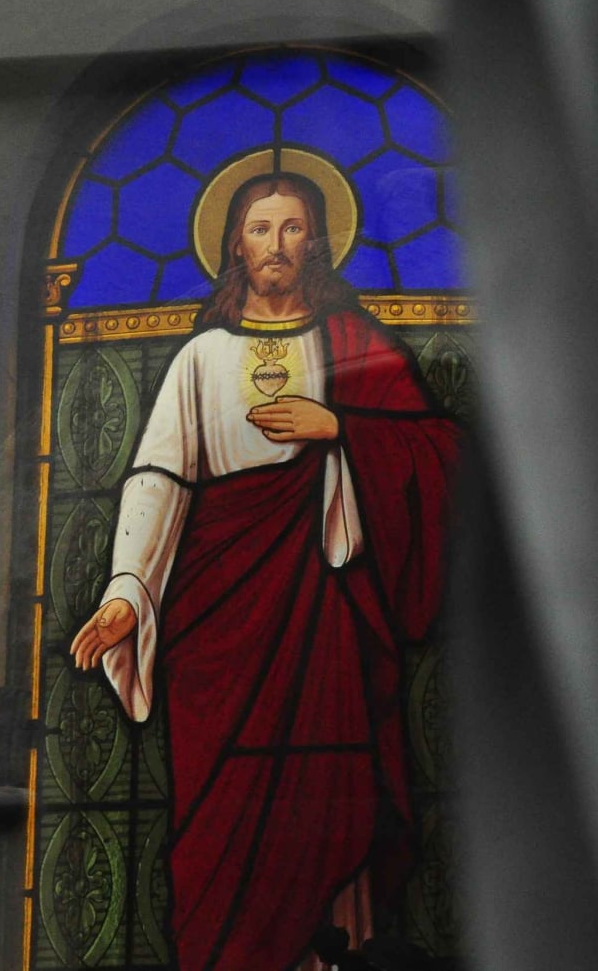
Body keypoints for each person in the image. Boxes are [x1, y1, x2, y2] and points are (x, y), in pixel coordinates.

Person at [68, 166, 460, 971]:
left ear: (316, 239)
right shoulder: (201, 358)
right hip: (218, 625)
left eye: (291, 227)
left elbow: (439, 455)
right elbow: (157, 478)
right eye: (258, 228)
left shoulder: (359, 347)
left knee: (331, 802)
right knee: (220, 817)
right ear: (233, 245)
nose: (275, 244)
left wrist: (340, 427)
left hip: (324, 616)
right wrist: (128, 593)